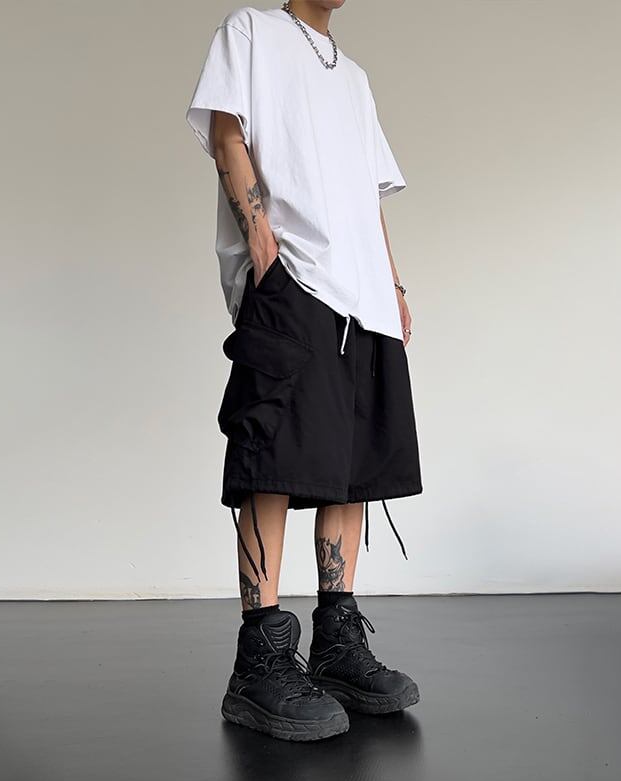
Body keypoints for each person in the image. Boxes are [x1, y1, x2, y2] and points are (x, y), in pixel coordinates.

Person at [186, 0, 423, 741]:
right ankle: (259, 664)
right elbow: (226, 132)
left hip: (363, 294)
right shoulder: (250, 32)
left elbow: (367, 194)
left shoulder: (354, 77)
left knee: (352, 466)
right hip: (296, 279)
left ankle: (337, 646)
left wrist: (392, 282)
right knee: (273, 454)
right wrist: (263, 248)